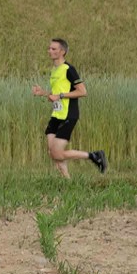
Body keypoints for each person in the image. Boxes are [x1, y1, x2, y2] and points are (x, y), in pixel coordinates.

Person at [38, 37, 107, 178]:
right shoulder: (54, 70)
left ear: (62, 52)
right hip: (57, 114)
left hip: (68, 115)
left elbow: (82, 92)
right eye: (49, 48)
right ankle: (67, 182)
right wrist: (44, 93)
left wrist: (59, 96)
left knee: (57, 153)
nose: (49, 51)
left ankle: (94, 156)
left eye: (53, 49)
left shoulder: (69, 69)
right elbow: (57, 94)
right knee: (52, 152)